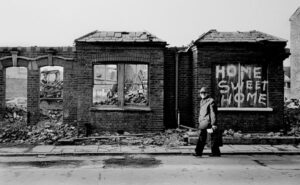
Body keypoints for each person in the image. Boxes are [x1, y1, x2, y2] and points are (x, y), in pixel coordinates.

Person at [194, 87, 222, 157]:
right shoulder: (202, 101)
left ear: (207, 93)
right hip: (204, 123)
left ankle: (198, 152)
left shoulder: (211, 101)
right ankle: (215, 152)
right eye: (201, 93)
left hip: (208, 123)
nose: (202, 94)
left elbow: (213, 113)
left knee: (203, 137)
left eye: (204, 93)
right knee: (211, 137)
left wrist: (214, 124)